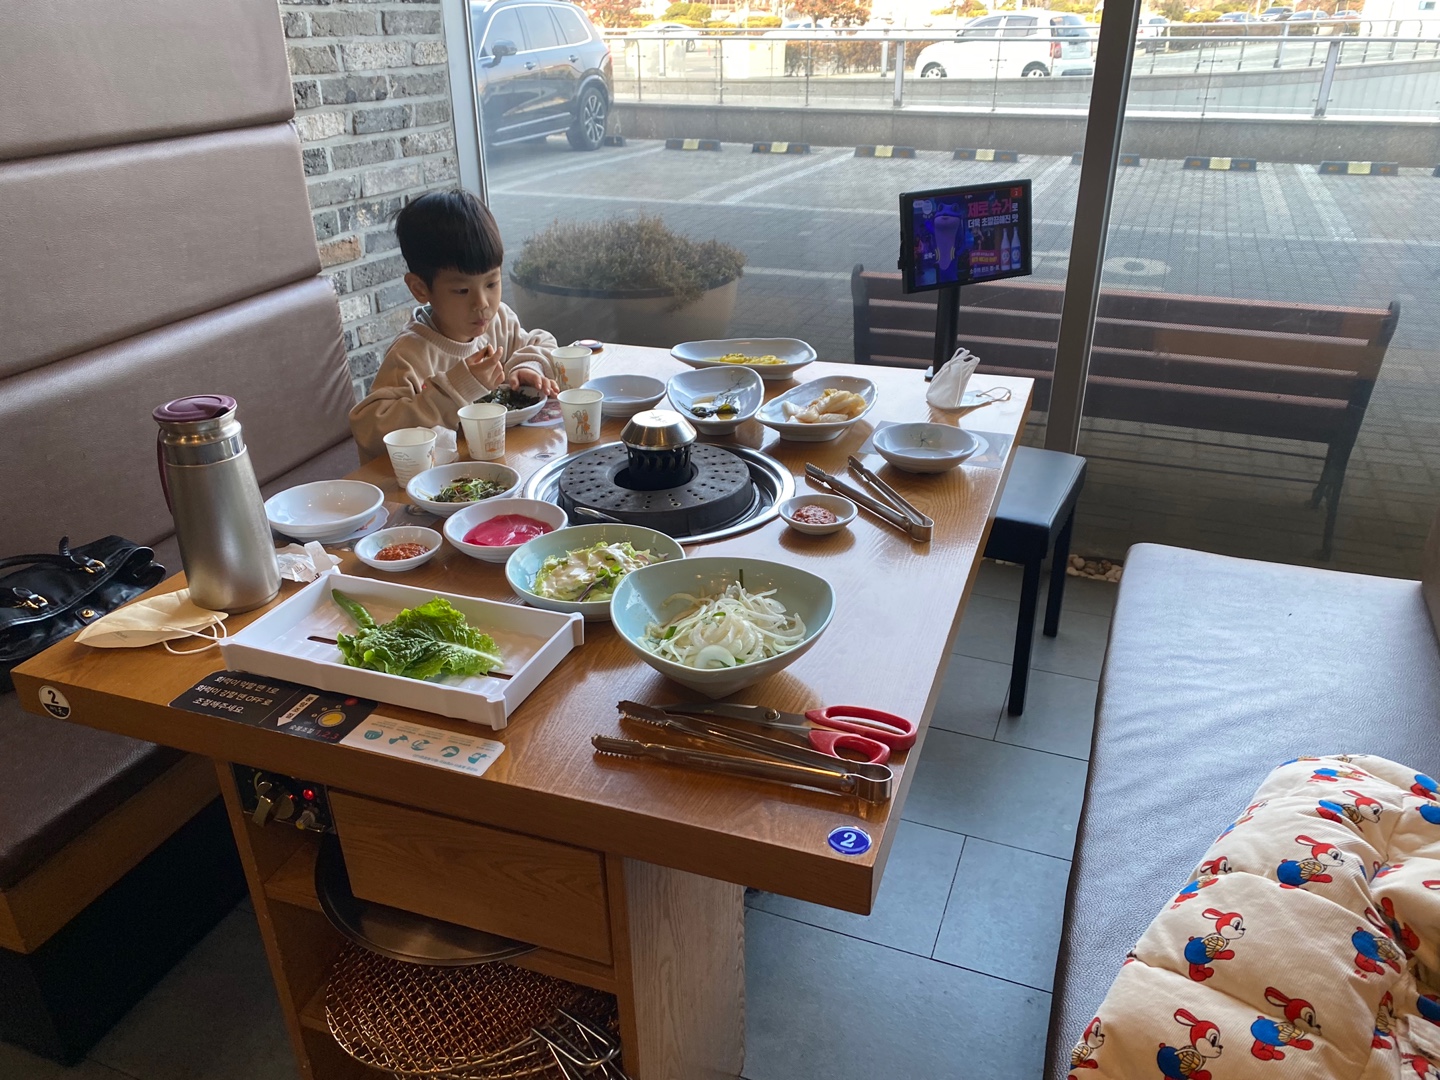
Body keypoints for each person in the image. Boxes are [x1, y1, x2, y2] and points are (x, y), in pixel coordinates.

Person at [349, 190, 559, 460]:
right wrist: (455, 390)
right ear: (420, 288)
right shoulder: (410, 355)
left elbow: (542, 342)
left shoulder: (498, 321)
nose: (482, 303)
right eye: (462, 290)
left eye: (492, 283)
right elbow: (369, 429)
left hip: (502, 459)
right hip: (443, 477)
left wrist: (527, 366)